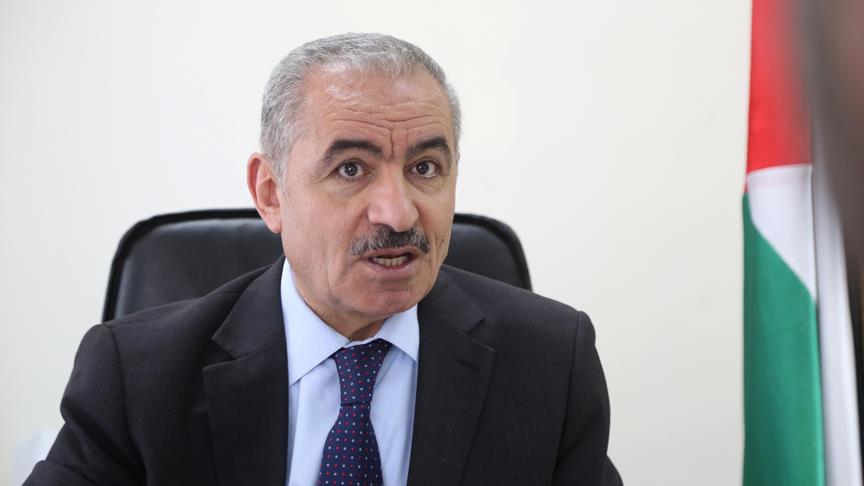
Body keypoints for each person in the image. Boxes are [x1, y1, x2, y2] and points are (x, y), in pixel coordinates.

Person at [25, 33, 622, 485]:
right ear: (270, 193)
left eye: (425, 168)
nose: (399, 214)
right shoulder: (136, 377)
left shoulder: (551, 361)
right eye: (351, 169)